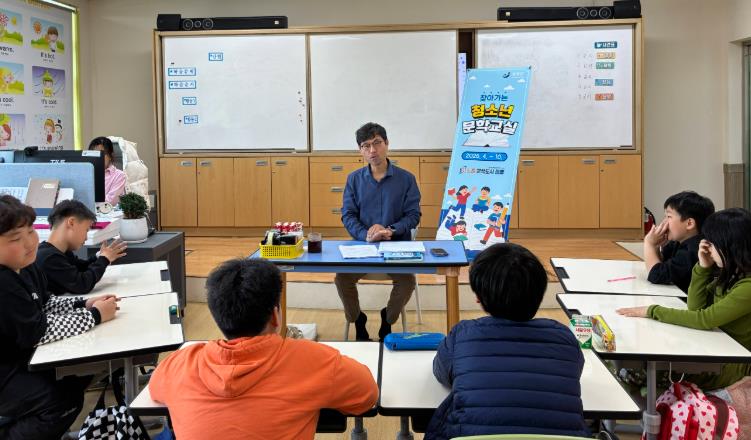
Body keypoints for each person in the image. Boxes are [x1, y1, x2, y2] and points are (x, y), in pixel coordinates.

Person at [149, 258, 378, 440]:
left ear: (218, 317)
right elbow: (367, 395)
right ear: (275, 315)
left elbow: (155, 389)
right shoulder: (317, 361)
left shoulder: (179, 364)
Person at [425, 243, 589, 440]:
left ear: (479, 298)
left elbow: (441, 373)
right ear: (539, 294)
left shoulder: (462, 335)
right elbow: (574, 373)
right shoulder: (564, 338)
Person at [0, 195, 118, 440]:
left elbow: (46, 303)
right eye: (15, 238)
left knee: (75, 379)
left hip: (22, 356)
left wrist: (83, 304)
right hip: (8, 370)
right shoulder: (4, 281)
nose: (29, 242)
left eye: (31, 231)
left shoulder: (26, 265)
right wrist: (95, 315)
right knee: (62, 400)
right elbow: (38, 331)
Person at [619, 208, 751, 390]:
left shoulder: (747, 286)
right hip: (713, 348)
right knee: (635, 367)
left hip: (732, 363)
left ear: (729, 246)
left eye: (713, 243)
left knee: (639, 371)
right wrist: (703, 267)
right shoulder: (730, 275)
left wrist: (652, 311)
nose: (708, 249)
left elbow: (704, 319)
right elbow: (695, 308)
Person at [336, 122, 421, 341]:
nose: (372, 150)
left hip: (396, 247)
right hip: (362, 248)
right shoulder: (354, 179)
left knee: (407, 282)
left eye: (377, 143)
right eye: (366, 146)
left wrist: (390, 230)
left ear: (387, 144)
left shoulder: (406, 179)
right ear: (360, 150)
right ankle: (357, 319)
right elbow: (348, 215)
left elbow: (413, 215)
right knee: (342, 278)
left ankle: (388, 318)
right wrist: (366, 234)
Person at [36, 199, 127, 295]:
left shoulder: (60, 252)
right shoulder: (49, 258)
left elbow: (80, 268)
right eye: (86, 230)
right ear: (71, 223)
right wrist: (104, 259)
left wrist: (99, 256)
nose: (86, 237)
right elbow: (82, 284)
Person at [644, 191, 715, 292]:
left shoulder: (695, 249)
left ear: (689, 223)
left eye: (669, 217)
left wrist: (649, 244)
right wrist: (655, 246)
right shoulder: (678, 242)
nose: (664, 222)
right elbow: (661, 265)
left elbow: (656, 275)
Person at [88, 136, 127, 205]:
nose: (96, 158)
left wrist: (88, 202)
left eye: (101, 154)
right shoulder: (86, 173)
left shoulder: (119, 176)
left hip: (105, 211)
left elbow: (111, 201)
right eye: (93, 154)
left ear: (110, 156)